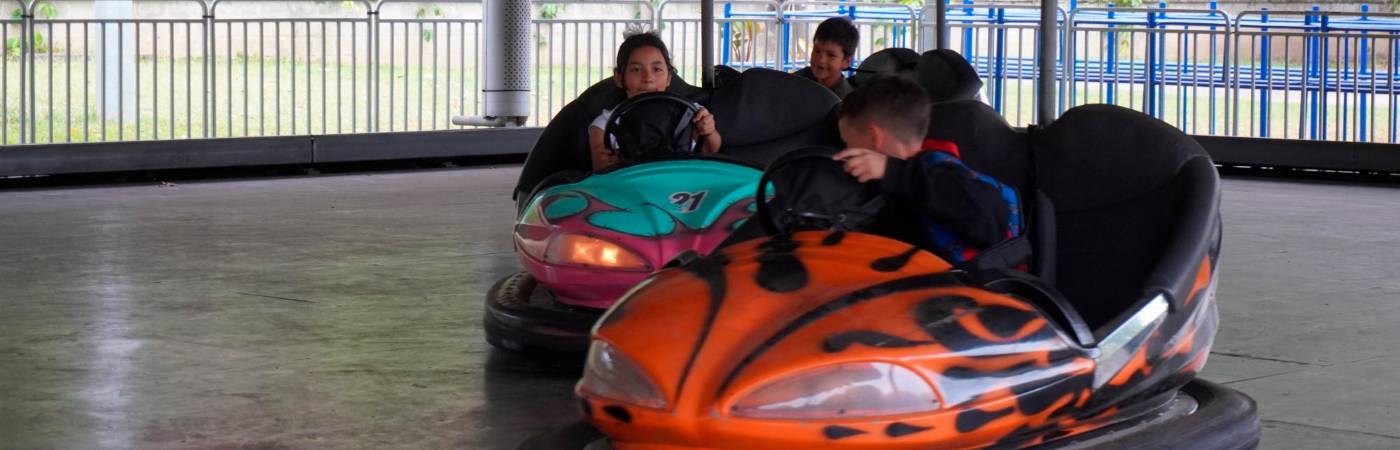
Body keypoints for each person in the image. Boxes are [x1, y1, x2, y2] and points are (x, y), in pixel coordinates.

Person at [832, 76, 1023, 266]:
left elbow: (988, 219)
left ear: (874, 137)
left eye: (848, 143)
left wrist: (892, 171)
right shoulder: (895, 182)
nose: (847, 151)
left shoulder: (937, 174)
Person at [590, 32, 721, 170]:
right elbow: (600, 167)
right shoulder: (604, 124)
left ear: (669, 77)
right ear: (619, 78)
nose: (648, 78)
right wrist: (610, 161)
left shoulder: (689, 113)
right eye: (636, 70)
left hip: (683, 180)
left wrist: (708, 131)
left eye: (657, 69)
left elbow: (710, 150)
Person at [795, 17, 858, 99]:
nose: (821, 60)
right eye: (817, 51)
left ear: (846, 62)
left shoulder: (847, 100)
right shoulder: (797, 80)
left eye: (831, 55)